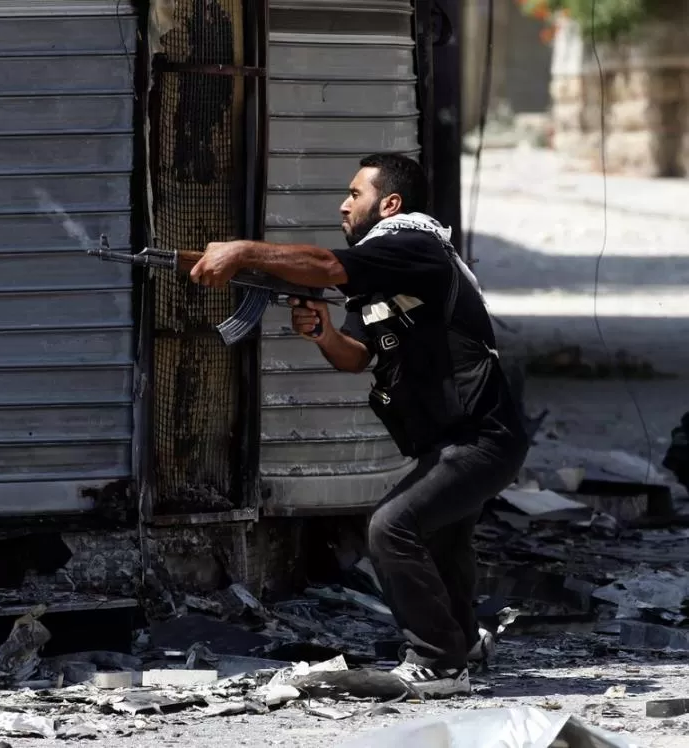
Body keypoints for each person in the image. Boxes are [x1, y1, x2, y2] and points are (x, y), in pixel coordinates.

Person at [188, 153, 529, 698]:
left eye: (355, 194)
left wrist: (244, 251)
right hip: (450, 440)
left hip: (483, 438)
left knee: (391, 527)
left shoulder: (415, 244)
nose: (343, 205)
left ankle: (438, 664)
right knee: (441, 540)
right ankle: (461, 643)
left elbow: (326, 265)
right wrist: (323, 333)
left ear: (389, 204)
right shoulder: (381, 276)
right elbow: (355, 356)